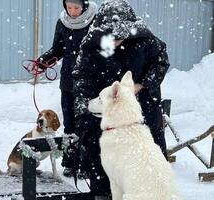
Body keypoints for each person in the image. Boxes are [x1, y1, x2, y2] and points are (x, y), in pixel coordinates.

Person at [72, 0, 170, 199]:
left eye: (120, 36)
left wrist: (140, 86)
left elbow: (161, 62)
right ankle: (102, 194)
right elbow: (81, 79)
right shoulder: (91, 46)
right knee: (101, 161)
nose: (115, 40)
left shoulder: (146, 40)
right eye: (110, 36)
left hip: (141, 111)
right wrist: (83, 110)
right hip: (104, 112)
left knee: (148, 162)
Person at [37, 0, 97, 177]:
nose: (72, 12)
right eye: (69, 7)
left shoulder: (95, 20)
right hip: (68, 81)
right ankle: (70, 161)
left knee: (87, 123)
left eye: (76, 8)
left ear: (84, 6)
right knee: (69, 124)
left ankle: (87, 164)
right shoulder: (62, 22)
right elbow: (58, 49)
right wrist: (43, 62)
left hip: (89, 81)